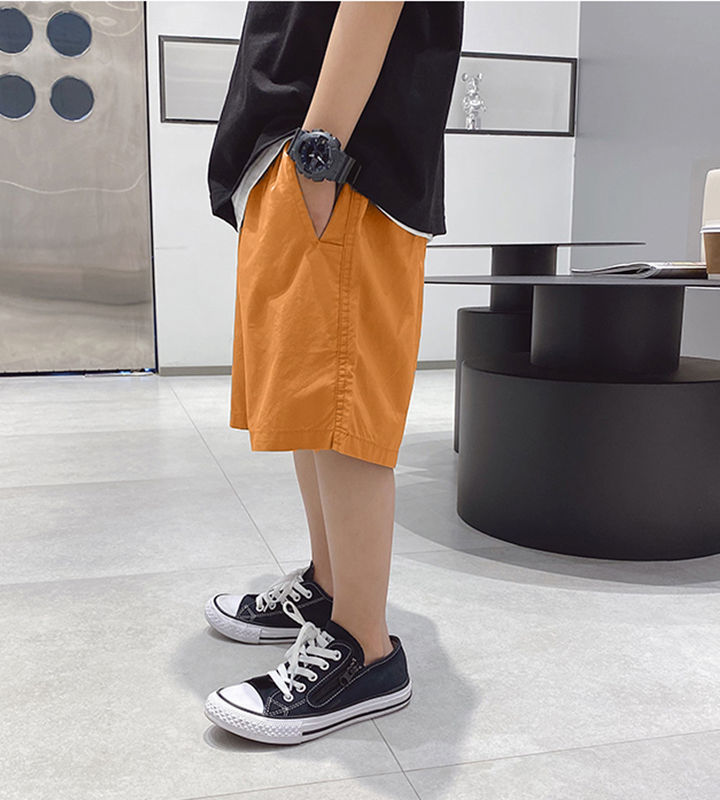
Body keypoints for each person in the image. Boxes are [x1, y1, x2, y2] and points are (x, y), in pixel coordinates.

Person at [204, 1, 464, 744]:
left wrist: (319, 159)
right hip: (306, 158)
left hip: (340, 165)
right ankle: (328, 587)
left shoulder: (328, 164)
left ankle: (364, 650)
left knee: (345, 410)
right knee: (311, 399)